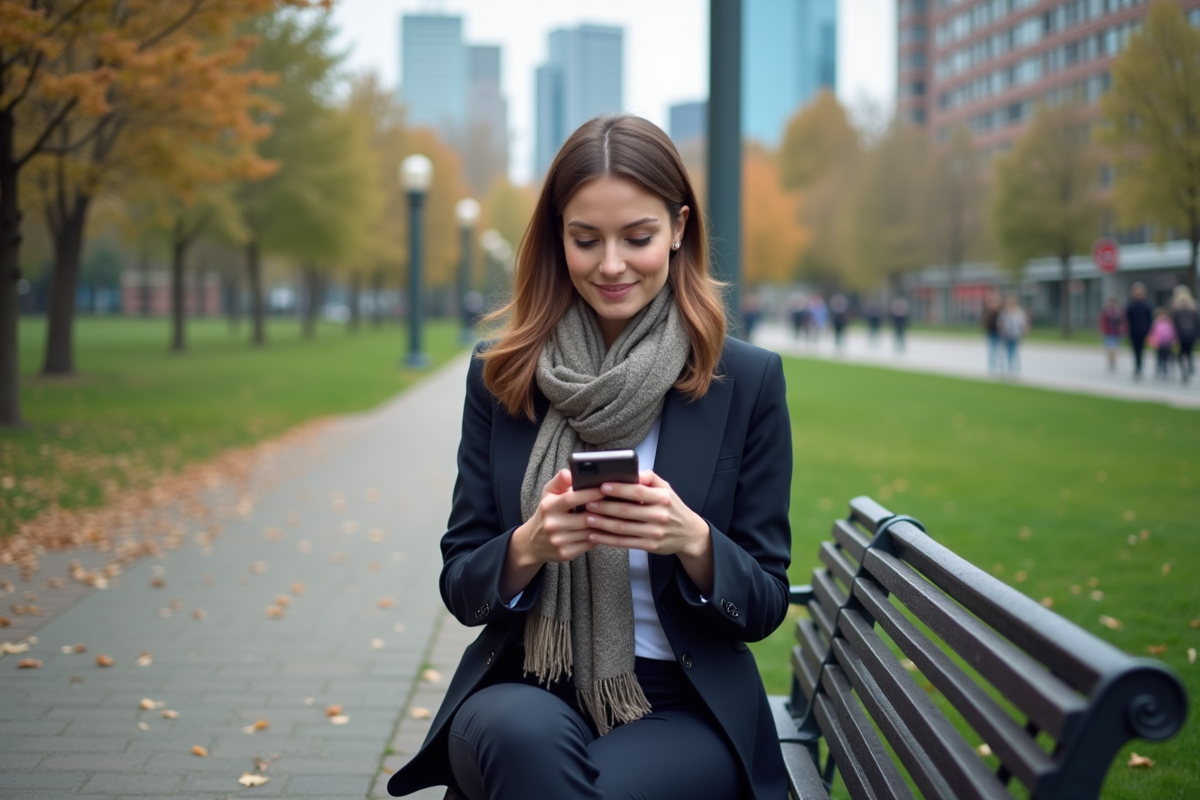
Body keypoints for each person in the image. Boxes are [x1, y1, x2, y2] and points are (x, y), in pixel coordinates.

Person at [386, 115, 793, 800]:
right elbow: (462, 581)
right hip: (526, 685)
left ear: (679, 229)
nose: (611, 265)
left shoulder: (744, 382)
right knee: (524, 742)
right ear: (557, 237)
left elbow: (764, 603)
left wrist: (692, 540)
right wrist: (528, 546)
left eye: (637, 237)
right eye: (585, 239)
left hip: (681, 706)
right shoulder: (501, 375)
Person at [1125, 282, 1153, 380]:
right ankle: (1137, 367)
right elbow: (1127, 317)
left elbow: (1150, 319)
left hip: (1143, 331)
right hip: (1133, 331)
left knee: (1141, 350)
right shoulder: (1131, 304)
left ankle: (1140, 367)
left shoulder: (1146, 304)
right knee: (1135, 350)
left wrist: (1149, 331)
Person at [1170, 285, 1197, 384]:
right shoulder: (1192, 308)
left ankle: (1185, 371)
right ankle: (1189, 368)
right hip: (1191, 334)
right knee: (1188, 352)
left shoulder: (1176, 310)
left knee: (1181, 354)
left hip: (1181, 335)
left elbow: (1173, 325)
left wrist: (1173, 337)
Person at [998, 295, 1028, 376]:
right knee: (1006, 352)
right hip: (1007, 335)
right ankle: (1007, 369)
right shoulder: (1005, 312)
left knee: (1014, 352)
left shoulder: (1019, 312)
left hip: (1015, 334)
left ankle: (1014, 369)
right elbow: (1001, 323)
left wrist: (1024, 329)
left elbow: (1023, 323)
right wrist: (1002, 330)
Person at [1148, 307, 1176, 381]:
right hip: (1158, 343)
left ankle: (1165, 371)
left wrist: (1173, 340)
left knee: (1166, 358)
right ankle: (1158, 370)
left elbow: (1172, 332)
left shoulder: (1169, 323)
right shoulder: (1156, 323)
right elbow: (1153, 332)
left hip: (1167, 343)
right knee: (1158, 357)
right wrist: (1153, 341)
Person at [1098, 295, 1123, 373]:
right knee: (1109, 349)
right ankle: (1110, 362)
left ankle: (1113, 362)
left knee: (1114, 349)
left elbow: (1122, 321)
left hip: (1116, 333)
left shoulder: (1118, 311)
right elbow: (1102, 321)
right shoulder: (1106, 311)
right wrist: (1102, 329)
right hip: (1108, 333)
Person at [982, 292, 1002, 373]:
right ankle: (992, 368)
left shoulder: (1000, 311)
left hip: (1000, 333)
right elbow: (985, 321)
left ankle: (1000, 368)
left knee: (1000, 351)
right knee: (992, 351)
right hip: (991, 332)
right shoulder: (988, 310)